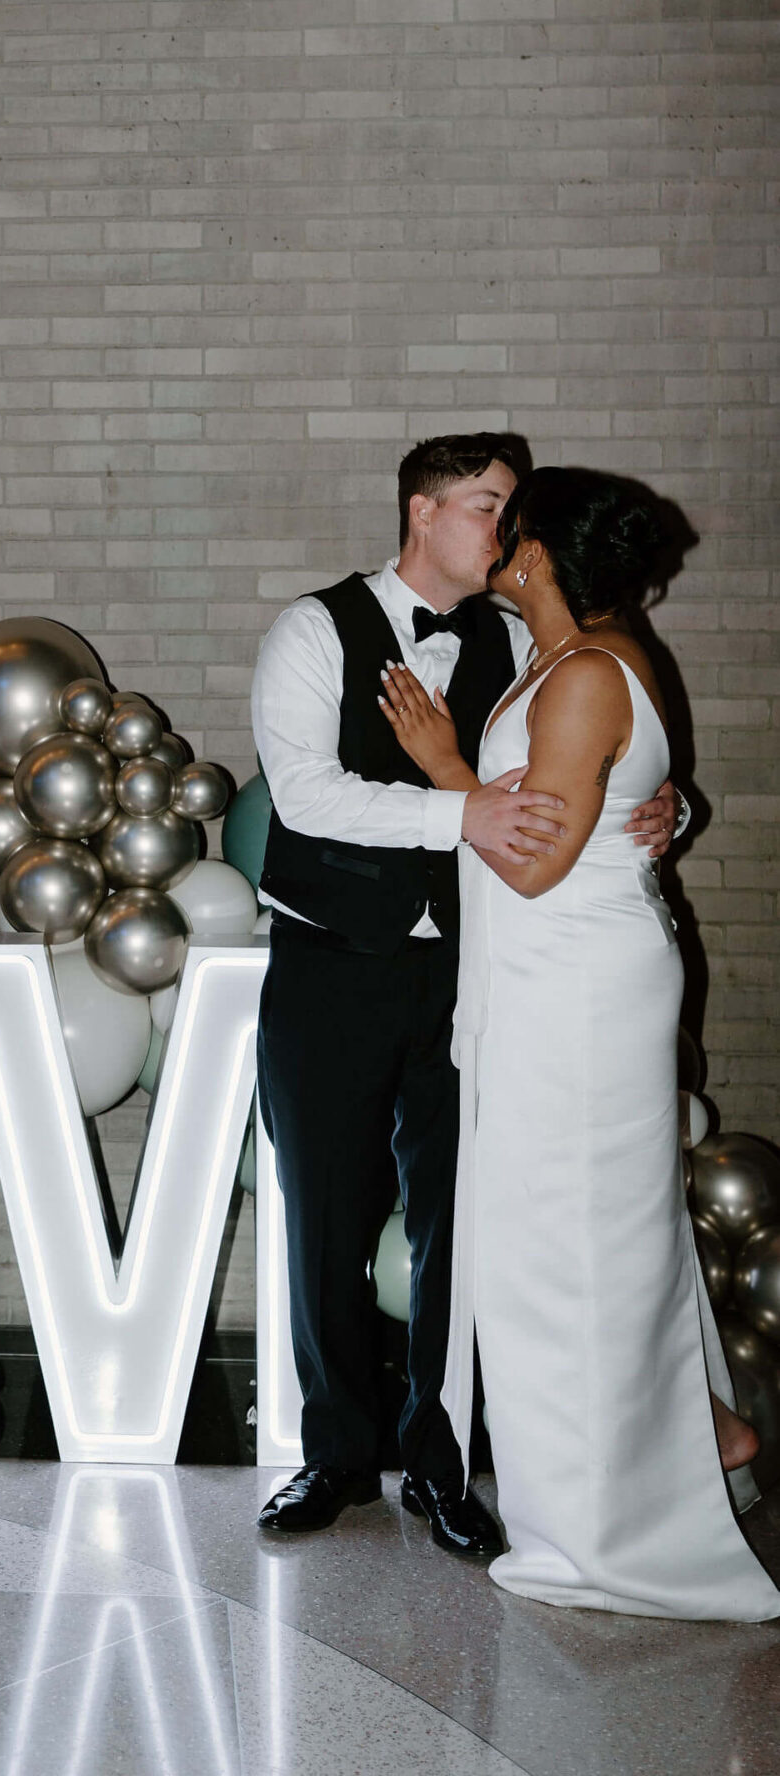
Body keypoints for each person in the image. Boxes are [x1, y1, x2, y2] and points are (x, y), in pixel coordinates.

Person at [250, 434, 684, 1555]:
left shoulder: (522, 636)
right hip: (332, 964)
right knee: (324, 1213)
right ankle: (334, 1453)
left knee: (460, 1223)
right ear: (423, 509)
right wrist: (462, 811)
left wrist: (662, 805)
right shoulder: (312, 628)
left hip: (472, 973)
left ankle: (441, 1466)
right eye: (489, 503)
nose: (507, 525)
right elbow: (305, 796)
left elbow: (589, 757)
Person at [378, 467, 779, 1618]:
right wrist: (665, 802)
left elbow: (536, 861)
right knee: (586, 1230)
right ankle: (704, 1426)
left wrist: (444, 765)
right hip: (550, 980)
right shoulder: (564, 661)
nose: (493, 543)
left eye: (508, 528)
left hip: (580, 988)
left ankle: (612, 1529)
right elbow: (609, 794)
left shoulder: (591, 670)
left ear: (538, 554)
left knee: (571, 1244)